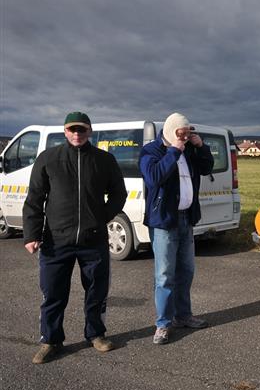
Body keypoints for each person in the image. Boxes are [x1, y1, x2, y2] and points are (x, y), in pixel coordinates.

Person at [23, 111, 127, 364]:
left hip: (93, 241)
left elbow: (118, 194)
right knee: (53, 294)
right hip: (56, 241)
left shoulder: (104, 160)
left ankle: (96, 334)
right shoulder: (49, 159)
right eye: (72, 130)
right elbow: (35, 199)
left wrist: (99, 217)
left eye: (81, 129)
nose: (77, 134)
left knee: (96, 291)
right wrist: (31, 234)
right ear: (65, 131)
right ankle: (50, 340)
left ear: (89, 131)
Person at [139, 112, 214, 345]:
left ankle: (183, 315)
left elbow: (206, 167)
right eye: (180, 134)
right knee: (164, 275)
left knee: (186, 271)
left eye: (187, 134)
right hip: (164, 221)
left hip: (186, 219)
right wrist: (174, 150)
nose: (184, 138)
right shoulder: (152, 151)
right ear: (171, 132)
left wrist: (200, 147)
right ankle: (163, 323)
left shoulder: (189, 150)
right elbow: (154, 177)